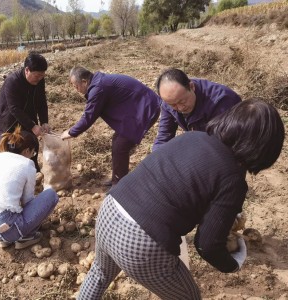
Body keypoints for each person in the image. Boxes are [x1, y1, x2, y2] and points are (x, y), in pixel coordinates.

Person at [78, 99, 285, 299]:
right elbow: (208, 245)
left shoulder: (192, 137)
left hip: (110, 209)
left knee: (100, 273)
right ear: (264, 149)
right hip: (139, 241)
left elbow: (187, 188)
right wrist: (234, 262)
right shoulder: (233, 180)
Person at [61, 66, 162, 186]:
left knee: (120, 145)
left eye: (75, 85)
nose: (75, 89)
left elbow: (89, 116)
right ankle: (117, 178)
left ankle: (119, 184)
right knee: (117, 142)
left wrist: (71, 132)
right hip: (137, 108)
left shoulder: (98, 88)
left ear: (84, 81)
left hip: (146, 108)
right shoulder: (98, 83)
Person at [0, 126, 59, 249]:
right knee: (51, 195)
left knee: (10, 206)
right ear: (27, 151)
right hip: (7, 225)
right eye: (33, 153)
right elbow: (27, 200)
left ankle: (5, 239)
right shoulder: (27, 164)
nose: (33, 155)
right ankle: (24, 238)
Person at [153, 68, 242, 151]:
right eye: (173, 105)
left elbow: (222, 145)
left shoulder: (221, 101)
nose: (180, 108)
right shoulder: (170, 99)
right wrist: (155, 160)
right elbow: (164, 136)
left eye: (182, 101)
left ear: (192, 87)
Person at [0, 52, 51, 171]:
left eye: (42, 76)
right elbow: (14, 108)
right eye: (37, 76)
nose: (40, 79)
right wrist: (32, 125)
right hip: (8, 117)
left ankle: (33, 171)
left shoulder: (40, 81)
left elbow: (41, 102)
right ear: (27, 70)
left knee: (31, 142)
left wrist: (44, 121)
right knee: (12, 147)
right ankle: (13, 175)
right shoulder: (12, 81)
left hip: (28, 113)